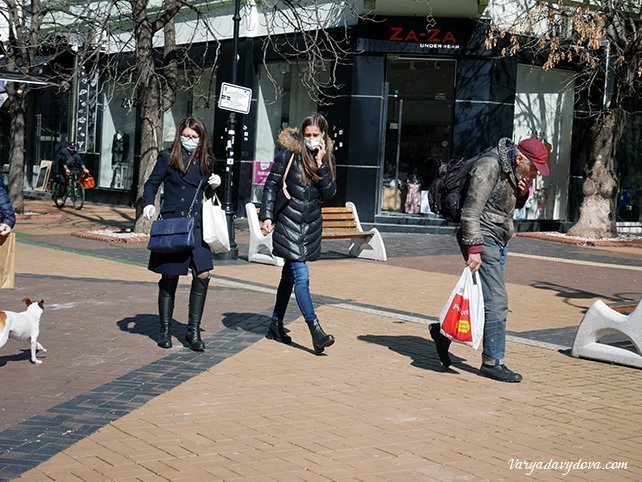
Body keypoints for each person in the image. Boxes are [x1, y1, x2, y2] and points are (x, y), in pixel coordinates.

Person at [430, 136, 552, 382]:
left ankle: (442, 333)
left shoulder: (513, 170)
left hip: (499, 238)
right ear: (519, 159)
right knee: (497, 301)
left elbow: (501, 207)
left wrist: (521, 195)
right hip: (482, 239)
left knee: (487, 299)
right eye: (533, 168)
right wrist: (474, 248)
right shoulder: (489, 166)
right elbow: (471, 211)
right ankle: (493, 362)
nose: (535, 175)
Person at [142, 116, 222, 351]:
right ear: (180, 135)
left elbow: (204, 190)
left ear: (201, 138)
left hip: (197, 224)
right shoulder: (168, 157)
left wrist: (215, 184)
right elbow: (151, 184)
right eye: (186, 135)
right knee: (169, 276)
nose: (189, 140)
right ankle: (164, 330)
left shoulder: (206, 160)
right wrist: (149, 203)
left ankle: (193, 331)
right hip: (173, 224)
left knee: (204, 273)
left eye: (194, 137)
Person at [260, 114, 337, 354]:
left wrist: (322, 163)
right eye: (308, 135)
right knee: (301, 276)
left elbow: (330, 192)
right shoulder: (288, 156)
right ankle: (315, 330)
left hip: (310, 225)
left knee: (289, 277)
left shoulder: (326, 159)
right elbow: (271, 185)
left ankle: (275, 323)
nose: (312, 139)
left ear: (323, 136)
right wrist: (267, 216)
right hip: (288, 223)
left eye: (316, 135)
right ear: (301, 135)